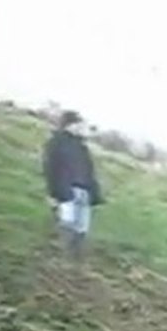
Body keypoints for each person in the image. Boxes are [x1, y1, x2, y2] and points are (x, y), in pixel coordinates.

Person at [42, 110, 104, 258]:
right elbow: (51, 168)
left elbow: (89, 171)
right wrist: (53, 192)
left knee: (82, 228)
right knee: (67, 223)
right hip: (66, 190)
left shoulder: (82, 146)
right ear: (69, 125)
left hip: (84, 192)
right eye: (77, 124)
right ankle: (60, 257)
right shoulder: (56, 142)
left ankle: (74, 259)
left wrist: (95, 193)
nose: (80, 127)